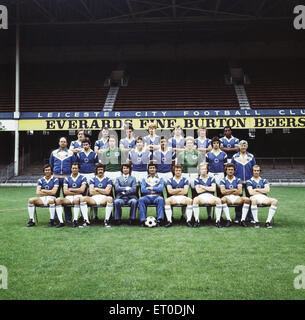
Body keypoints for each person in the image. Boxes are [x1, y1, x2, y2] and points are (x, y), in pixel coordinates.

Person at [49, 136, 76, 222]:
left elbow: (73, 164)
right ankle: (56, 218)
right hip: (56, 178)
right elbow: (51, 164)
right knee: (55, 198)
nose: (63, 143)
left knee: (67, 198)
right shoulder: (54, 153)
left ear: (67, 143)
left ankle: (68, 218)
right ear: (59, 143)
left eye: (64, 141)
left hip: (66, 178)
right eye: (61, 141)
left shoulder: (71, 153)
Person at [79, 163, 113, 228]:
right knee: (83, 199)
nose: (100, 171)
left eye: (101, 169)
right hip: (94, 198)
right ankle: (86, 221)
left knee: (110, 199)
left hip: (104, 198)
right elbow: (91, 192)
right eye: (99, 169)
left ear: (104, 170)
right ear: (96, 170)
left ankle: (106, 221)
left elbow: (108, 192)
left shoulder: (108, 180)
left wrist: (97, 189)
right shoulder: (92, 179)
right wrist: (103, 191)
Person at [55, 162, 88, 228]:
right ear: (71, 169)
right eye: (73, 168)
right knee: (58, 200)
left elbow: (82, 190)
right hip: (68, 197)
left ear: (79, 169)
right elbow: (65, 191)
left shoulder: (83, 178)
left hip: (79, 197)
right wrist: (77, 190)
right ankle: (61, 222)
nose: (74, 169)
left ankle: (74, 220)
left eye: (76, 168)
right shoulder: (67, 178)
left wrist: (70, 189)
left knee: (76, 200)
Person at [245, 165, 278, 229]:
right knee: (254, 200)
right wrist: (262, 190)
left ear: (260, 171)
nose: (256, 172)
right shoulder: (249, 181)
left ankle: (267, 222)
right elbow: (251, 192)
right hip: (254, 197)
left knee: (275, 201)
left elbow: (267, 190)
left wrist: (256, 189)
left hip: (263, 197)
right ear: (252, 171)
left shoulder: (264, 180)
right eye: (255, 170)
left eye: (258, 170)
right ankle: (256, 222)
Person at [219, 163, 251, 229]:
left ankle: (243, 220)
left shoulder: (238, 179)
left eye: (232, 169)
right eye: (229, 169)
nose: (230, 171)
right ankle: (229, 220)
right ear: (226, 170)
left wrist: (227, 191)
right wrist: (234, 190)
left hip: (236, 198)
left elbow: (240, 191)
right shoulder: (223, 180)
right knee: (222, 200)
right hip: (227, 198)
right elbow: (222, 192)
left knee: (247, 200)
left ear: (234, 170)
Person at [231, 140, 256, 223]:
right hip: (238, 181)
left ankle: (251, 217)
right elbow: (231, 169)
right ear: (239, 146)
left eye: (244, 145)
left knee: (250, 199)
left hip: (249, 181)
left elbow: (254, 168)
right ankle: (238, 217)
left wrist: (252, 179)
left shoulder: (251, 156)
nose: (243, 147)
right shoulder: (235, 156)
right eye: (241, 145)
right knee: (238, 199)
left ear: (247, 146)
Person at [192, 163, 222, 228]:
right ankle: (197, 220)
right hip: (201, 197)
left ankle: (218, 221)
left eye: (205, 169)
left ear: (207, 170)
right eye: (202, 169)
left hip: (210, 196)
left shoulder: (212, 178)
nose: (204, 170)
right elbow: (198, 191)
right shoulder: (196, 179)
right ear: (199, 170)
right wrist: (208, 188)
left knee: (218, 200)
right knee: (195, 199)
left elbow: (213, 189)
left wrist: (202, 186)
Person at [138, 163, 164, 227]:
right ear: (148, 169)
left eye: (153, 168)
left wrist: (150, 188)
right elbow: (143, 190)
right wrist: (156, 189)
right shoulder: (145, 179)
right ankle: (143, 220)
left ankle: (159, 220)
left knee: (161, 199)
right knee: (141, 199)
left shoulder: (160, 178)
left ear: (156, 169)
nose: (152, 169)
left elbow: (160, 189)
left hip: (157, 197)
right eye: (150, 168)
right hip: (147, 197)